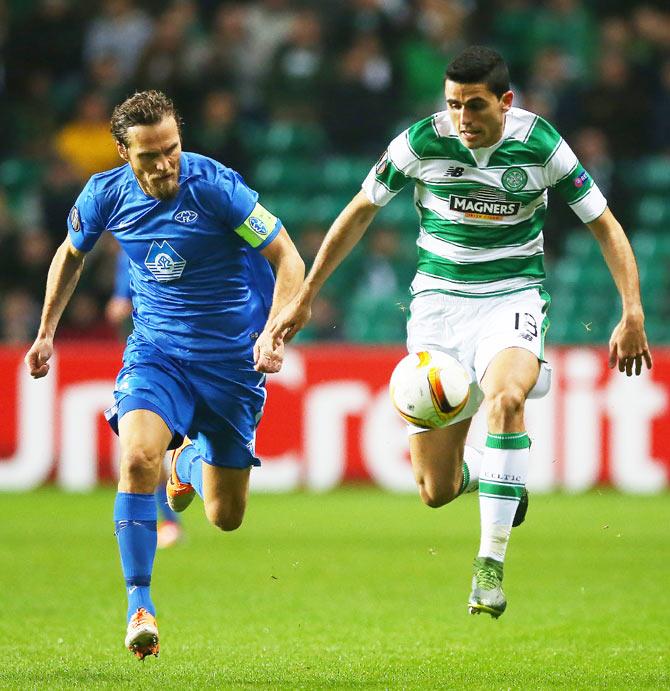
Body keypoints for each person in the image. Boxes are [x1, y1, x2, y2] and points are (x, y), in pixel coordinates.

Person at [270, 46, 652, 619]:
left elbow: (605, 225)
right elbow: (358, 211)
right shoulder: (422, 141)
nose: (462, 119)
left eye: (474, 106)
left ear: (506, 102)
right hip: (438, 309)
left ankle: (489, 567)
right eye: (453, 105)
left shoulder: (542, 146)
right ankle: (500, 475)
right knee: (436, 490)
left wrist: (632, 310)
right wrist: (306, 294)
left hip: (513, 298)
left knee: (505, 400)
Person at [25, 90, 305, 659]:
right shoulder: (105, 194)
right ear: (124, 152)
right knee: (135, 459)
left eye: (171, 149)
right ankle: (139, 606)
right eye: (149, 155)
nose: (164, 164)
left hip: (231, 366)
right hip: (158, 356)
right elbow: (71, 254)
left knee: (226, 517)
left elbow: (288, 258)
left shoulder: (217, 187)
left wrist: (274, 331)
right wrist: (46, 330)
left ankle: (188, 462)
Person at [105, 250, 185, 550]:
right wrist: (120, 297)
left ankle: (174, 506)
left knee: (153, 449)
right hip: (144, 354)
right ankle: (170, 521)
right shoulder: (130, 236)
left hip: (182, 349)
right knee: (143, 451)